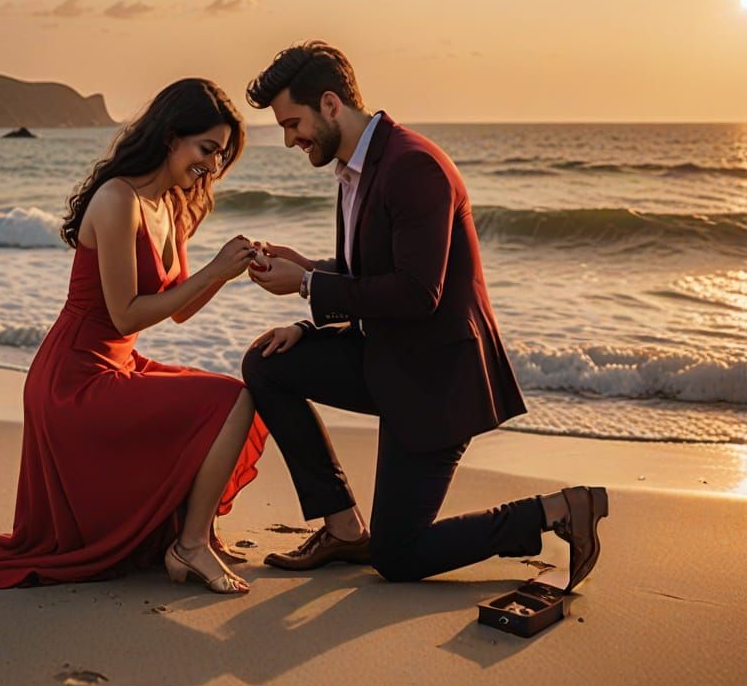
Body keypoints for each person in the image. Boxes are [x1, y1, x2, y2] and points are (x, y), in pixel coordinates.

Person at [241, 40, 607, 587]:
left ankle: (557, 511)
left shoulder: (413, 165)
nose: (291, 139)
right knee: (268, 363)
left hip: (437, 380)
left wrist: (311, 285)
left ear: (330, 104)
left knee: (399, 556)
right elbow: (368, 274)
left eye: (294, 124)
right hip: (390, 359)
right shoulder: (356, 170)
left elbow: (417, 294)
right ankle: (343, 528)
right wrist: (307, 284)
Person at [0, 79, 267, 595]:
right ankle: (189, 545)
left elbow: (176, 311)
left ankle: (190, 534)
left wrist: (226, 271)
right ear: (171, 136)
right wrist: (213, 269)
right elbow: (127, 314)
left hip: (118, 366)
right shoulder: (118, 200)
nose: (212, 166)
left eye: (221, 156)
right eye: (207, 149)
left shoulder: (175, 205)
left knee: (239, 395)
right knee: (231, 400)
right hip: (72, 380)